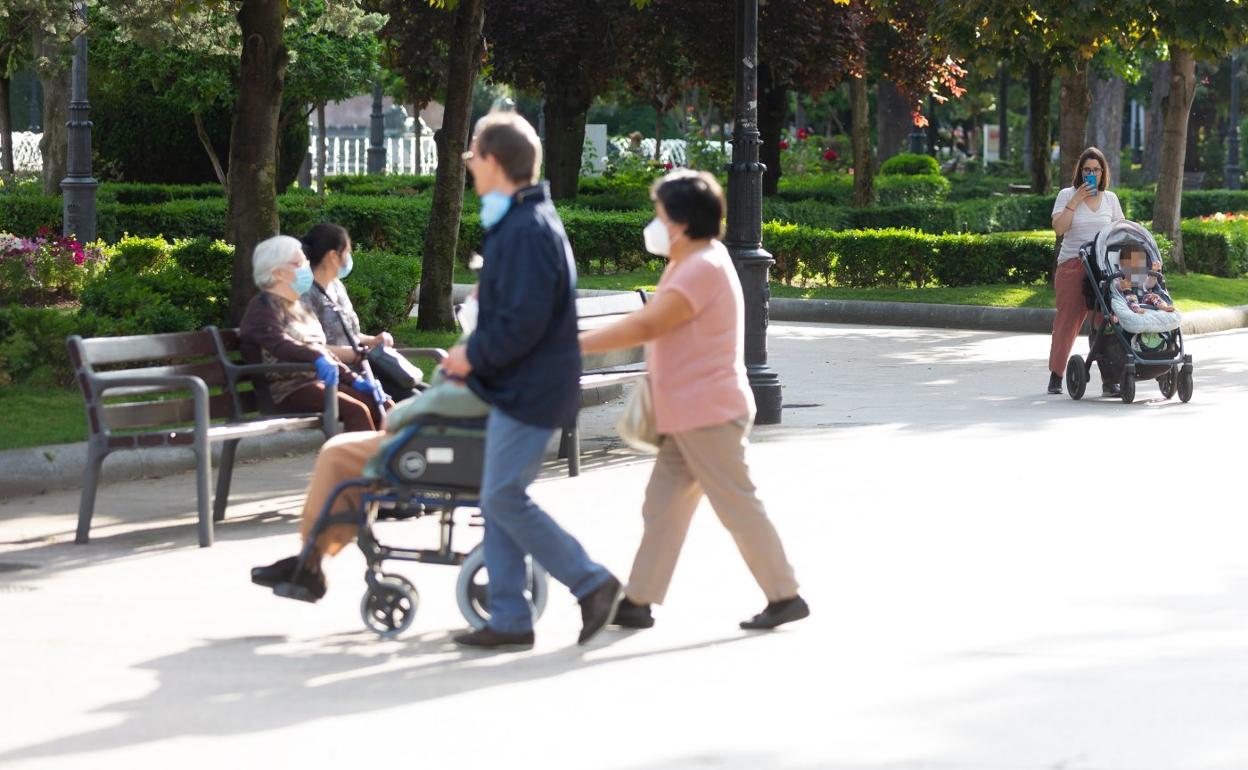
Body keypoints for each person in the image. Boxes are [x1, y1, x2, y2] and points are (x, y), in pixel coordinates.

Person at [579, 170, 809, 632]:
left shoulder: (702, 267)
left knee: (737, 505)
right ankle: (638, 601)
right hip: (689, 414)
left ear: (681, 222)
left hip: (708, 414)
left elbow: (648, 326)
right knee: (662, 506)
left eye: (660, 214)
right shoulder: (693, 260)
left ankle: (785, 594)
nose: (655, 223)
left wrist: (572, 343)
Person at [439, 110, 622, 650]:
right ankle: (509, 617)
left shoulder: (522, 227)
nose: (470, 166)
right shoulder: (524, 220)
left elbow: (523, 320)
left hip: (529, 385)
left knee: (501, 497)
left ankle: (592, 582)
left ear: (494, 162)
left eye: (474, 156)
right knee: (497, 496)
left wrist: (472, 356)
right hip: (523, 383)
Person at [239, 235, 388, 433]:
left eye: (305, 261)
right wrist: (317, 357)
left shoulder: (301, 307)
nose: (306, 267)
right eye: (299, 263)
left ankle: (395, 461)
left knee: (384, 406)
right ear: (278, 273)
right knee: (356, 410)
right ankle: (361, 463)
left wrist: (355, 380)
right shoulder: (262, 307)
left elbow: (323, 352)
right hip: (284, 391)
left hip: (316, 384)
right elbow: (281, 344)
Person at [298, 223, 416, 401]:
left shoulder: (336, 286)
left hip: (361, 370)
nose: (349, 258)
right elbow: (309, 347)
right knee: (413, 402)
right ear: (332, 256)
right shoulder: (304, 293)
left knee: (421, 395)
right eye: (347, 252)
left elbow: (347, 332)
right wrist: (357, 354)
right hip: (334, 376)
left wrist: (373, 340)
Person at [1048, 147, 1125, 395]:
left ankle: (1110, 379)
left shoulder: (1110, 199)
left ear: (1103, 173)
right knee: (1067, 321)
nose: (1091, 174)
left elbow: (1119, 231)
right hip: (1073, 264)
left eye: (1096, 170)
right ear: (1080, 172)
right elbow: (1059, 229)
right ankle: (1056, 374)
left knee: (1105, 321)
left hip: (1102, 267)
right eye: (1087, 170)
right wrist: (1075, 200)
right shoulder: (1066, 195)